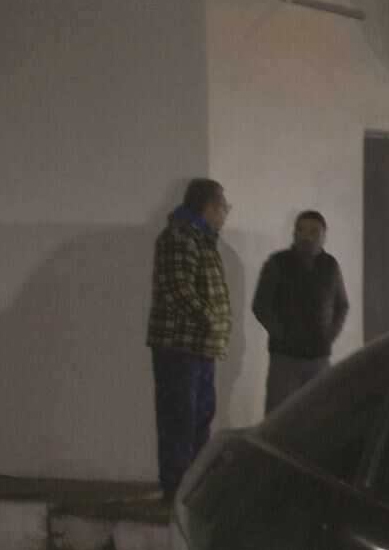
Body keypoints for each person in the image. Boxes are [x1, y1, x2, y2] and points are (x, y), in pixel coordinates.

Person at [145, 177, 231, 500]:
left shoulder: (202, 238)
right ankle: (177, 490)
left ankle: (192, 488)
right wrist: (212, 320)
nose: (225, 214)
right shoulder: (180, 237)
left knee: (199, 418)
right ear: (209, 207)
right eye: (224, 207)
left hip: (200, 347)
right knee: (179, 419)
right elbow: (180, 290)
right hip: (180, 347)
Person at [252, 210, 350, 412]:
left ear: (324, 235)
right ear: (294, 233)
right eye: (301, 230)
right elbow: (261, 305)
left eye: (314, 231)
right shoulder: (277, 263)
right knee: (279, 418)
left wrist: (329, 336)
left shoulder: (330, 265)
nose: (307, 236)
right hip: (285, 359)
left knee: (319, 417)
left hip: (319, 358)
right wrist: (281, 334)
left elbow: (342, 304)